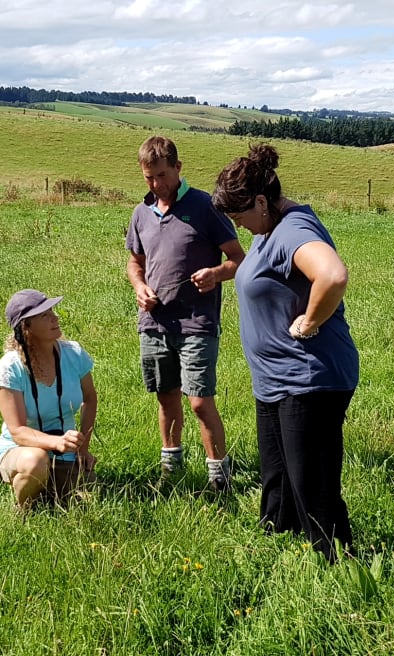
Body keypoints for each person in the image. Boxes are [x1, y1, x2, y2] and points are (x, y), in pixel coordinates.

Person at [211, 143, 360, 561]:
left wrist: (309, 322)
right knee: (278, 478)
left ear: (262, 201)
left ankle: (338, 564)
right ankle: (276, 551)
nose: (240, 228)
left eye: (241, 218)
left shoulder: (293, 230)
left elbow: (332, 275)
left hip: (309, 379)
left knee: (312, 482)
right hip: (276, 381)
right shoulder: (269, 230)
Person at [126, 135, 245, 490]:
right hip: (155, 323)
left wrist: (216, 273)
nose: (156, 184)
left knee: (198, 401)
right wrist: (139, 287)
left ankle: (218, 478)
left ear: (178, 168)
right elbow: (135, 263)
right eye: (148, 177)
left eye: (162, 175)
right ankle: (171, 470)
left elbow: (239, 258)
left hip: (197, 322)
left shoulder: (205, 207)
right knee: (166, 396)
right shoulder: (140, 214)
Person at [0, 289, 97, 507]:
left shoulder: (74, 353)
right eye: (44, 315)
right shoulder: (10, 368)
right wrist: (57, 442)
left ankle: (45, 490)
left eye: (52, 311)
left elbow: (90, 398)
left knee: (88, 496)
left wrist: (83, 447)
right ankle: (22, 512)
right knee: (36, 461)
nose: (55, 318)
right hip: (20, 450)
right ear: (26, 328)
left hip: (65, 449)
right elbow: (18, 431)